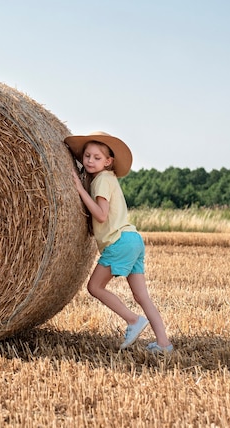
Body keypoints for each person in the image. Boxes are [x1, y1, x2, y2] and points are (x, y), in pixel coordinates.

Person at [64, 131, 173, 353]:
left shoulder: (102, 180)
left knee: (95, 287)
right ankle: (164, 344)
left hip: (119, 241)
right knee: (142, 296)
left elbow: (101, 215)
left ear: (108, 161)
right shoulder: (108, 179)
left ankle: (133, 320)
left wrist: (79, 190)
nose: (90, 161)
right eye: (87, 156)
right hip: (133, 238)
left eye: (96, 157)